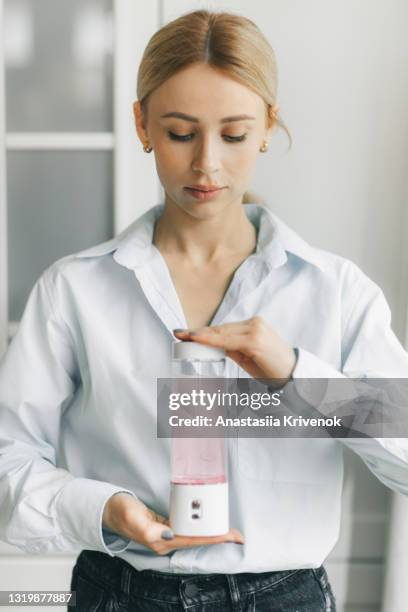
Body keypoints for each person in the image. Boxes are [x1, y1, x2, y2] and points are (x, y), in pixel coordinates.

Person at [1, 8, 408, 612]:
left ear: (268, 126)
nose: (207, 164)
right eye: (180, 133)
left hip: (285, 596)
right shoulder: (74, 291)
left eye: (235, 134)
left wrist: (297, 377)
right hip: (119, 592)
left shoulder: (336, 291)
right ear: (141, 124)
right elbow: (8, 458)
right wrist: (104, 509)